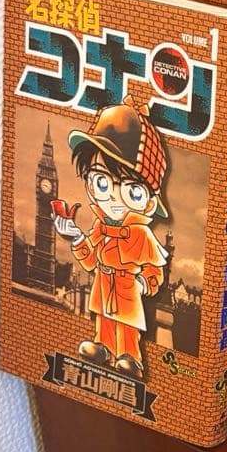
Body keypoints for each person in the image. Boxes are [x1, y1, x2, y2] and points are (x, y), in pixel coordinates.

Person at [53, 97, 170, 381]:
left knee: (127, 327)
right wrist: (77, 237)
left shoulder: (141, 234)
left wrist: (144, 283)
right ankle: (103, 347)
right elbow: (91, 261)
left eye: (130, 189)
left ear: (148, 202)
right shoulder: (100, 227)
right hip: (103, 283)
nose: (113, 198)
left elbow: (155, 269)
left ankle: (130, 357)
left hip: (128, 286)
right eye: (101, 182)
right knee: (104, 320)